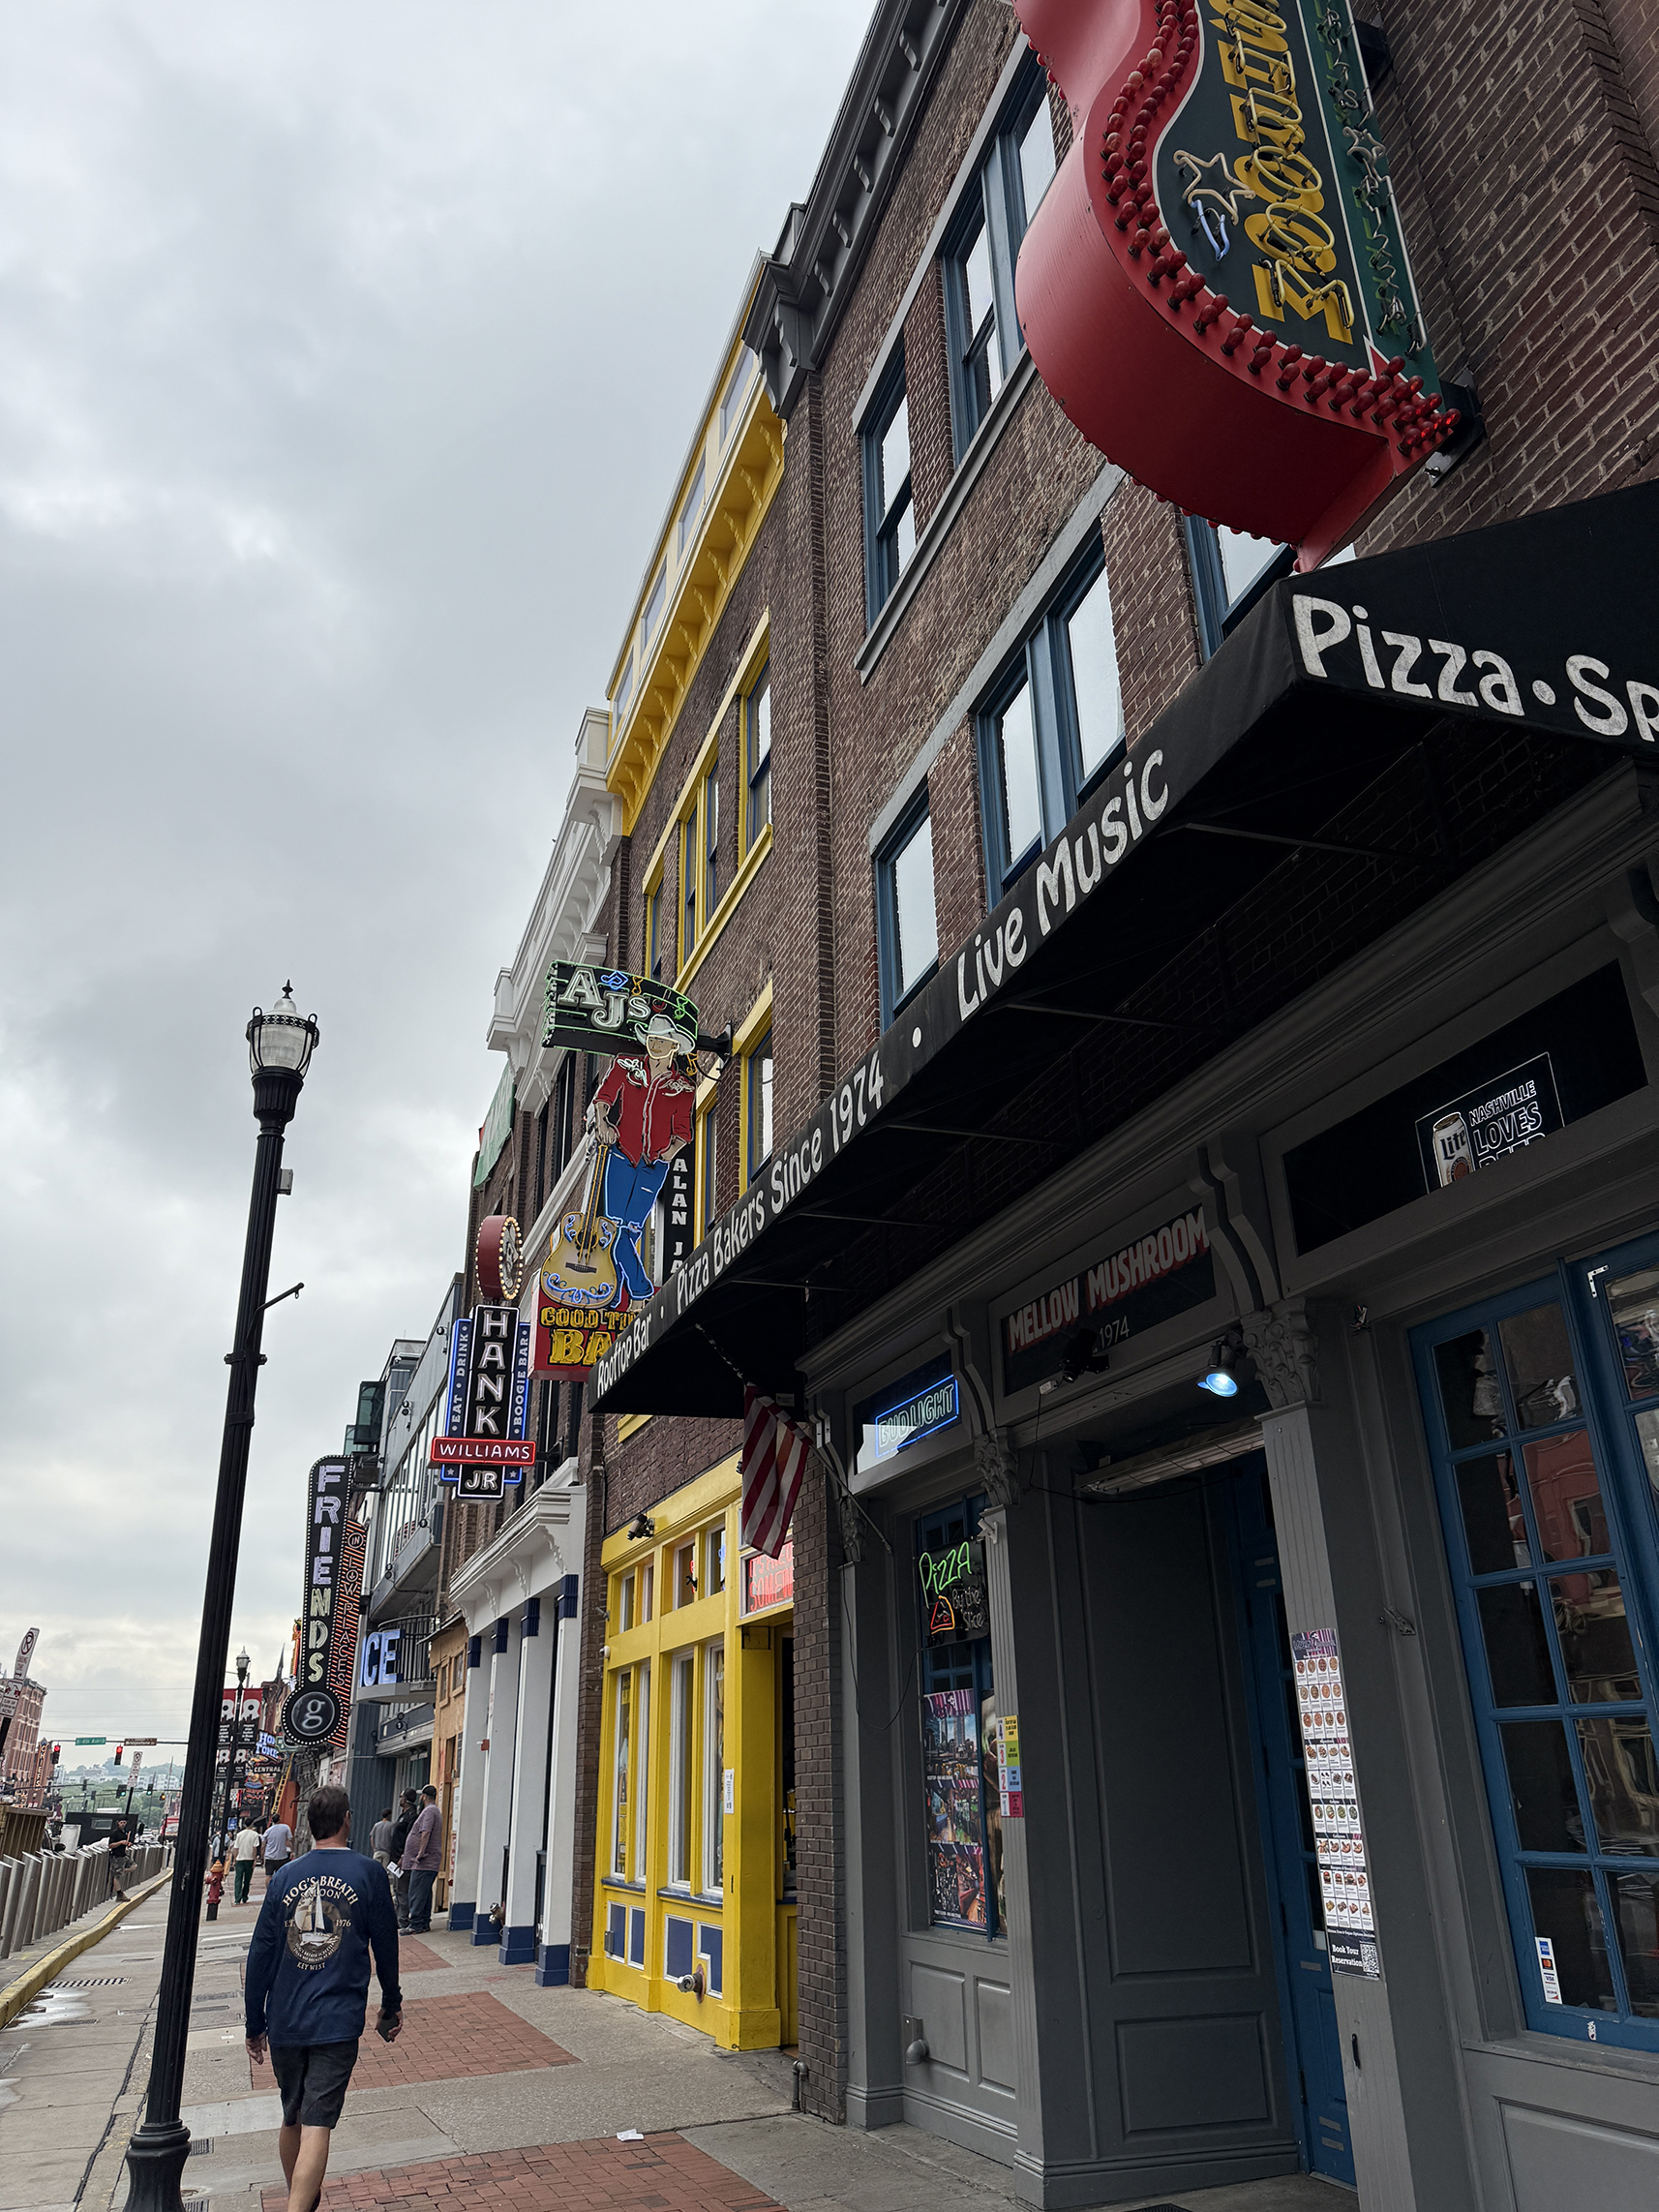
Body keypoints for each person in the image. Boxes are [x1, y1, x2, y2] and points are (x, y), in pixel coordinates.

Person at [244, 1783, 402, 2212]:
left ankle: (300, 2198)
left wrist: (255, 2022)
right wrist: (391, 2002)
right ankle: (298, 2205)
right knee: (318, 2122)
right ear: (347, 1820)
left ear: (310, 1825)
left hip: (286, 2018)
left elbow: (261, 1953)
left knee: (292, 2114)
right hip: (337, 2018)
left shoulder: (284, 1877)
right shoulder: (368, 1873)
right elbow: (386, 1944)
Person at [590, 1012, 697, 1300]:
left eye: (662, 1042)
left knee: (632, 1229)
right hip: (621, 1156)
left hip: (653, 1166)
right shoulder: (626, 1066)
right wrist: (603, 1123)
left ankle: (613, 1294)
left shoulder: (683, 1088)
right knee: (613, 1227)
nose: (655, 1046)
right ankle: (639, 1289)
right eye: (652, 1040)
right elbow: (604, 1097)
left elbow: (683, 1131)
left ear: (674, 1047)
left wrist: (669, 1153)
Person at [398, 1786, 442, 1934]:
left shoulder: (429, 1811)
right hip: (427, 1861)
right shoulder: (434, 1811)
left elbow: (425, 1832)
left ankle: (416, 1923)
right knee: (424, 1892)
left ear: (423, 1796)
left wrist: (420, 1853)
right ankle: (423, 1922)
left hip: (424, 1862)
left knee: (416, 1892)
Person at [386, 1792, 416, 1932]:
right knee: (397, 1890)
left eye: (401, 1797)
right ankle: (399, 1918)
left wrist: (404, 1856)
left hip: (402, 1859)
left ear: (406, 1799)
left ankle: (403, 1920)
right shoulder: (402, 1815)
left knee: (403, 1890)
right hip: (395, 1858)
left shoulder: (412, 1816)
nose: (400, 1800)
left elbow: (410, 1837)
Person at [232, 1820, 262, 1905]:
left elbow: (236, 1848)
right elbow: (254, 1848)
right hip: (249, 1859)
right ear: (252, 1824)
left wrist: (234, 1859)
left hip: (239, 1858)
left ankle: (237, 1898)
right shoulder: (255, 1834)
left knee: (238, 1879)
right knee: (247, 1879)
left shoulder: (239, 1834)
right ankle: (244, 1896)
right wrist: (255, 1859)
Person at [262, 1814, 293, 1889]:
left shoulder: (268, 1831)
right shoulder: (285, 1827)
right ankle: (278, 1890)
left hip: (269, 1857)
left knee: (269, 1875)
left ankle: (269, 1890)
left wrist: (262, 1856)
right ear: (280, 1819)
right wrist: (292, 1851)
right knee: (280, 1875)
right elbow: (290, 1840)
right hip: (282, 1856)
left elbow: (263, 1845)